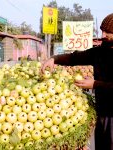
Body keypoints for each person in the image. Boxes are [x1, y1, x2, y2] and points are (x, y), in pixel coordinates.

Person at [41, 13, 113, 150]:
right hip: (102, 111)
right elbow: (75, 58)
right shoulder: (100, 51)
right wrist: (54, 59)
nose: (103, 34)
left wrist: (95, 84)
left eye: (108, 32)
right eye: (102, 30)